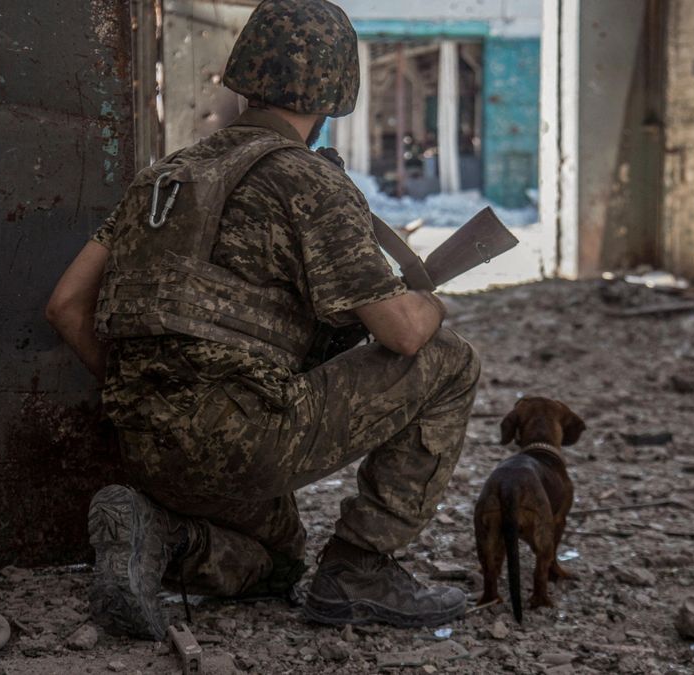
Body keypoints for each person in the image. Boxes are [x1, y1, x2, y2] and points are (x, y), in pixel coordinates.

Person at [45, 0, 480, 640]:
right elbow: (404, 333)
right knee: (449, 358)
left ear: (243, 74)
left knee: (278, 565)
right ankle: (361, 567)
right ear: (336, 91)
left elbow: (65, 307)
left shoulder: (162, 178)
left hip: (143, 440)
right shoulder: (306, 179)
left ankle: (162, 535)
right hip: (246, 439)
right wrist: (431, 300)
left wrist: (157, 396)